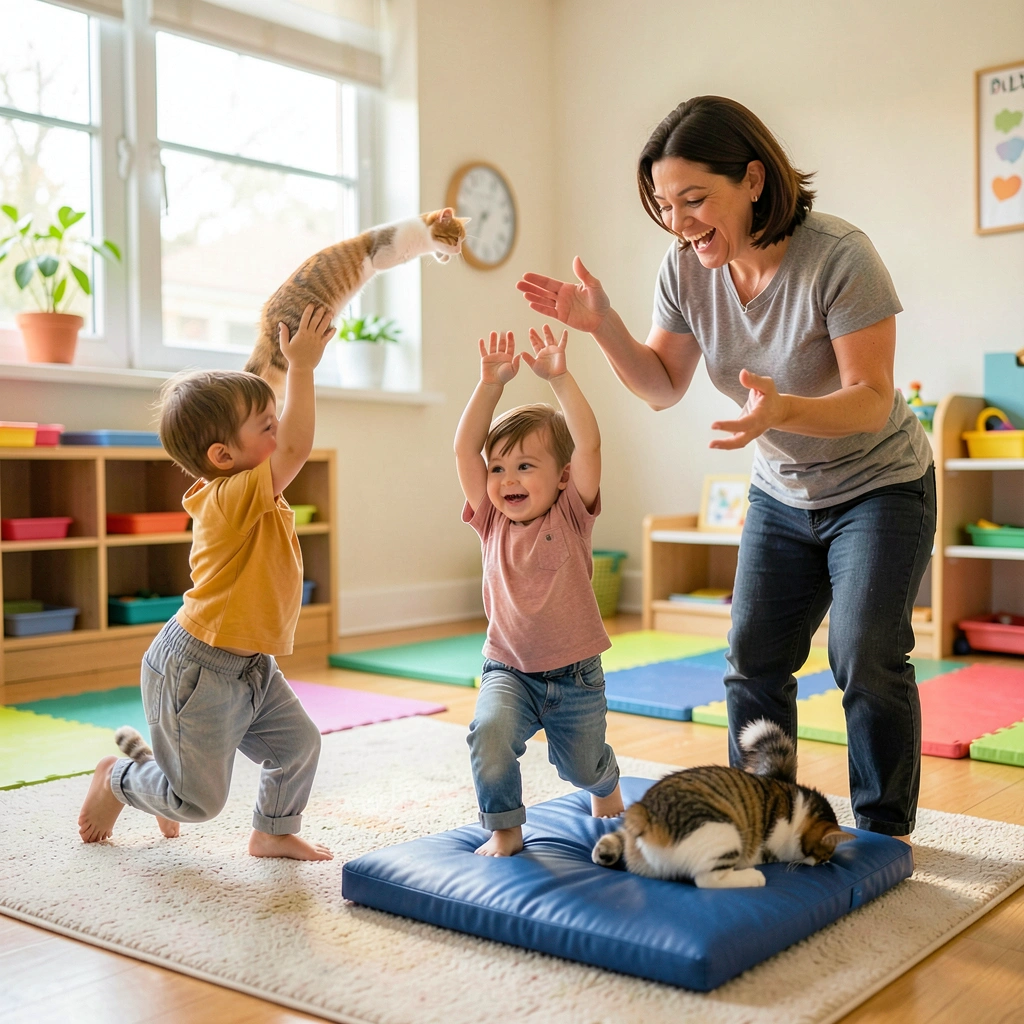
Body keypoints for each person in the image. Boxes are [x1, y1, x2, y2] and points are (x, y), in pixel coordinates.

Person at [517, 96, 935, 844]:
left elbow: (872, 401)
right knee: (752, 661)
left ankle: (883, 832)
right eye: (663, 204)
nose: (678, 221)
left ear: (751, 179)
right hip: (783, 491)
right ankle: (767, 820)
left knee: (865, 651)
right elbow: (659, 385)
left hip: (880, 485)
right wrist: (601, 324)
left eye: (694, 199)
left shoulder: (840, 256)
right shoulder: (685, 271)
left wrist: (784, 413)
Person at [78, 304, 337, 861]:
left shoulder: (247, 485)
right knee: (197, 804)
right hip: (196, 670)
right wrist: (304, 368)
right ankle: (120, 778)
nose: (278, 430)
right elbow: (295, 447)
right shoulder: (228, 496)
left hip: (249, 666)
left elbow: (277, 436)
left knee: (299, 746)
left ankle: (271, 830)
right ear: (223, 456)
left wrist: (276, 362)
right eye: (266, 426)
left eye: (274, 420)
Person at [454, 325, 623, 857]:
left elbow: (590, 442)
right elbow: (464, 449)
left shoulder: (573, 513)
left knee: (582, 765)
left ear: (563, 476)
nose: (508, 479)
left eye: (526, 466)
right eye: (499, 468)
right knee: (489, 734)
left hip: (575, 674)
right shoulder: (490, 521)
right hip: (508, 668)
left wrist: (560, 378)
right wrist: (489, 387)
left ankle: (607, 782)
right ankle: (505, 828)